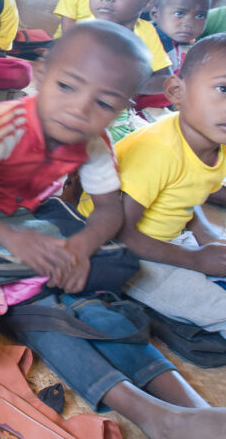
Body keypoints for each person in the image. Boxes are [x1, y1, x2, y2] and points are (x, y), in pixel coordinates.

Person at [0, 21, 226, 439]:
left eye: (104, 103)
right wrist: (13, 239)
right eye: (68, 87)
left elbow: (108, 212)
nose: (80, 110)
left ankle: (190, 405)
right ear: (43, 73)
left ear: (123, 106)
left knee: (98, 302)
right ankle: (149, 414)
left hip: (40, 225)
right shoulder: (1, 129)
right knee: (44, 315)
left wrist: (81, 247)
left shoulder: (94, 141)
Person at [80, 34, 226, 339]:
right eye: (223, 89)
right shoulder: (157, 150)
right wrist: (195, 259)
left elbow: (187, 189)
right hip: (122, 251)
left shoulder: (216, 141)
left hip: (172, 238)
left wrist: (203, 231)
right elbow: (119, 232)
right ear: (176, 91)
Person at [88, 0, 173, 96]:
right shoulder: (86, 30)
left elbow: (165, 78)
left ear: (148, 3)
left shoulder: (146, 31)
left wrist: (128, 87)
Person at [149, 0, 212, 72]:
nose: (189, 23)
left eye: (200, 16)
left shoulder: (192, 48)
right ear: (155, 14)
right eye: (179, 14)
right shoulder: (147, 42)